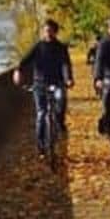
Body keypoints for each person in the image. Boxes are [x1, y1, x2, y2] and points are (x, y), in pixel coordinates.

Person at [13, 19, 74, 154]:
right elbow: (25, 60)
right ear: (43, 31)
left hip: (57, 83)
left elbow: (66, 64)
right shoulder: (38, 47)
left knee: (61, 101)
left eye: (51, 31)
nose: (48, 33)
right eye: (46, 31)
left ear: (55, 32)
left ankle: (59, 123)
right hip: (40, 84)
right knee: (41, 113)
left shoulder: (61, 48)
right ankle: (41, 144)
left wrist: (68, 78)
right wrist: (18, 71)